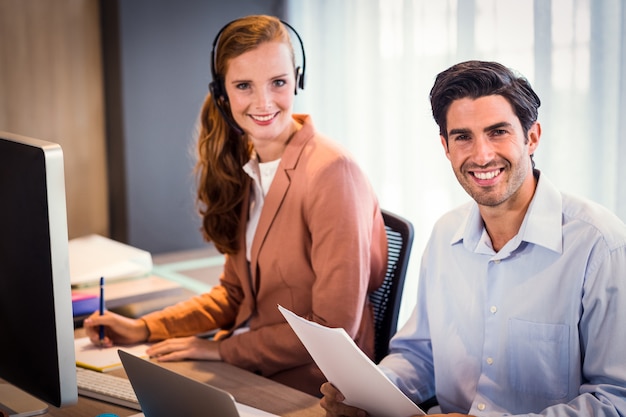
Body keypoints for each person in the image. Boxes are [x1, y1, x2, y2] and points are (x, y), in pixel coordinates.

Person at [84, 15, 387, 397]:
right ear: (222, 92)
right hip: (252, 366)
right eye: (244, 85)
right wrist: (146, 327)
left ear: (297, 79)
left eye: (278, 82)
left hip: (312, 386)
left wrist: (221, 350)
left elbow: (331, 330)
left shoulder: (331, 173)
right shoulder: (249, 165)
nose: (264, 103)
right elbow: (233, 294)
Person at [320, 60, 626, 416]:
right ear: (445, 147)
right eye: (463, 136)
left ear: (532, 137)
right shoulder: (445, 236)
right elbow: (420, 355)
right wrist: (367, 392)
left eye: (498, 132)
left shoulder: (600, 246)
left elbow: (615, 400)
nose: (481, 155)